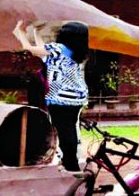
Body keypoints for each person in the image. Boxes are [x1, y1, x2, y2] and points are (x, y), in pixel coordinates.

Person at [13, 20, 89, 172]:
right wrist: (36, 33)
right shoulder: (74, 52)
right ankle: (69, 161)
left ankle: (71, 166)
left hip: (61, 99)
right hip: (76, 98)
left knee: (65, 133)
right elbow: (43, 53)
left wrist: (20, 32)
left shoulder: (58, 48)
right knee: (69, 130)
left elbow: (30, 49)